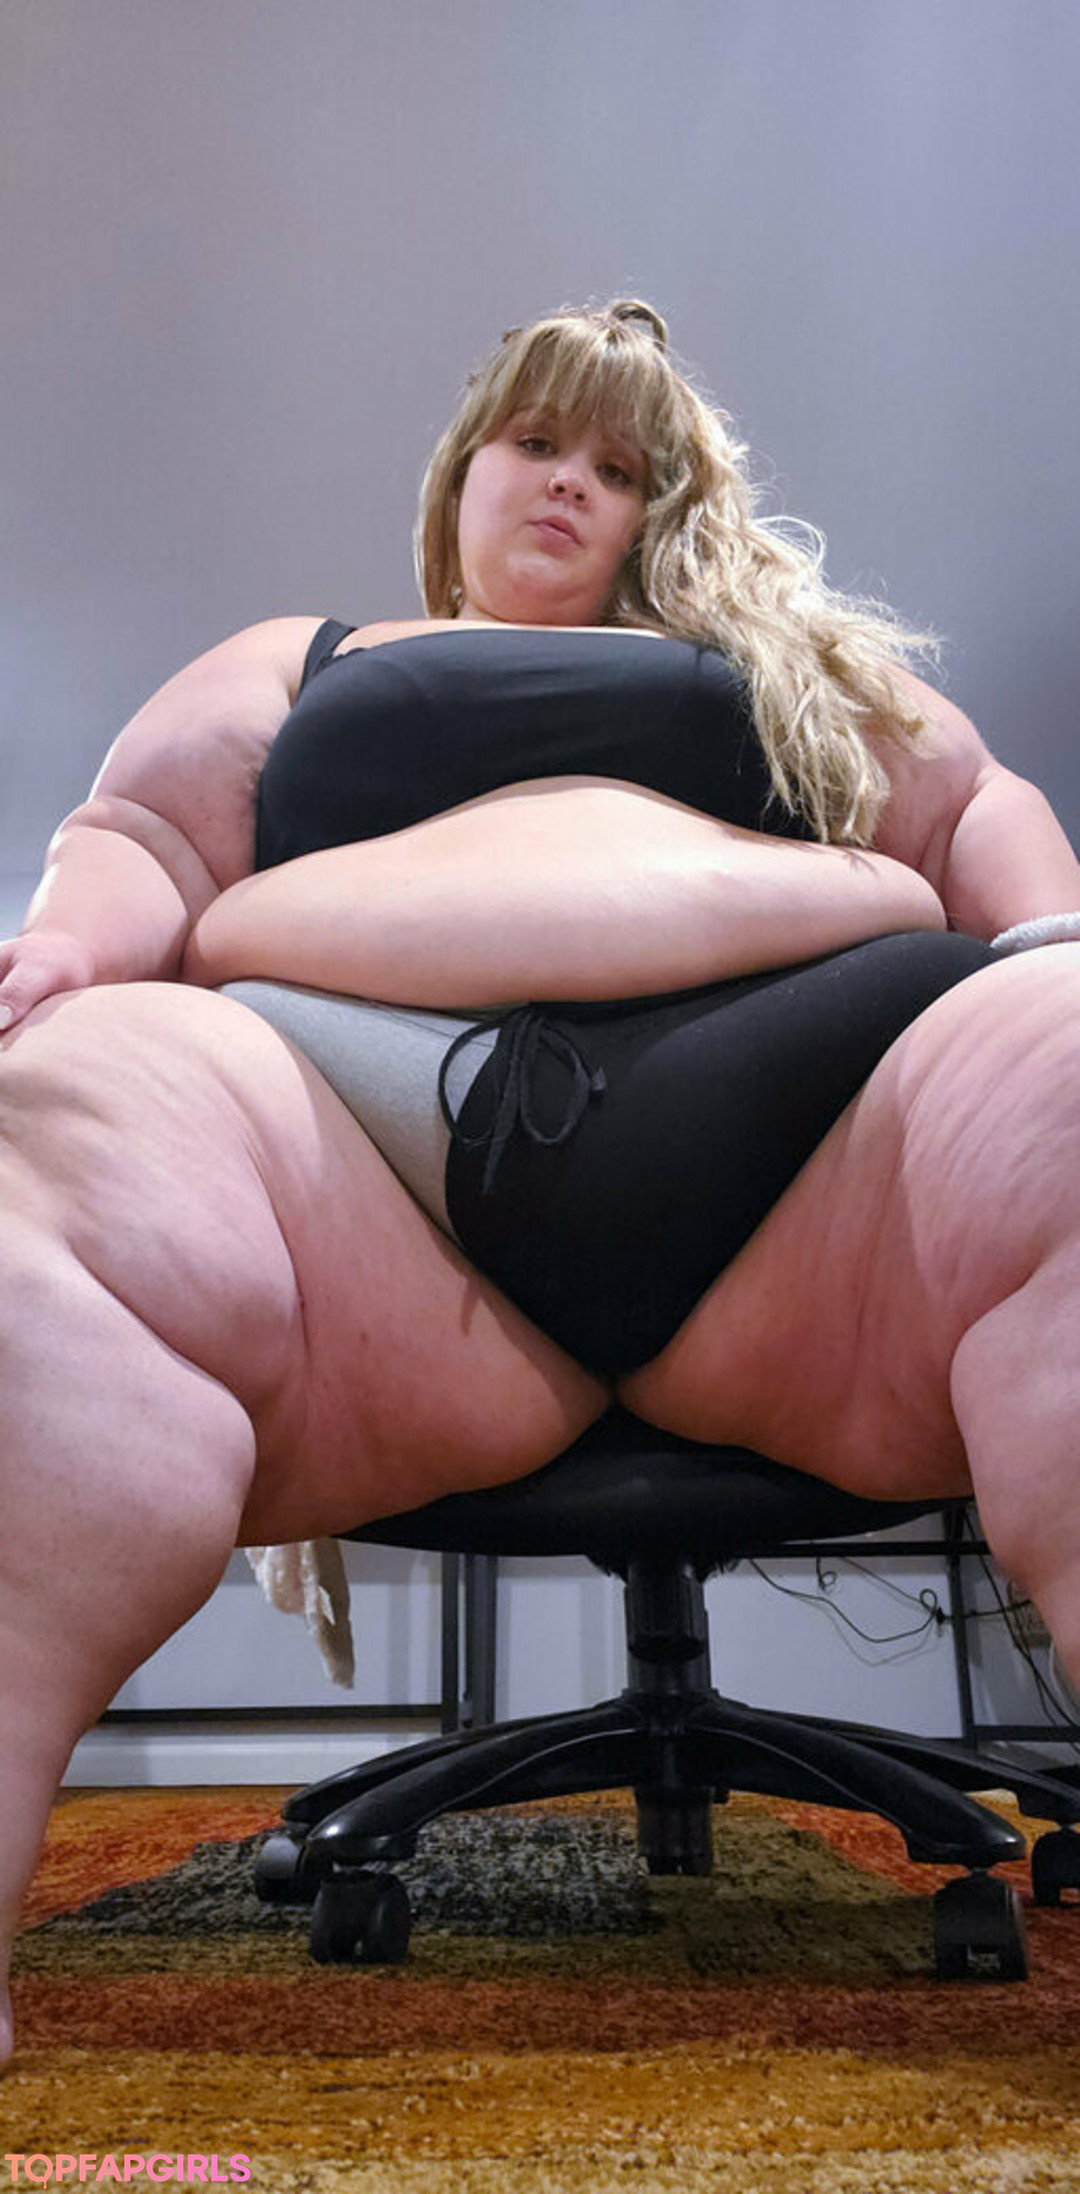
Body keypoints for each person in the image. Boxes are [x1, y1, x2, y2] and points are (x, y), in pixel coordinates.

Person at [1, 297, 1078, 2065]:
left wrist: (1049, 942)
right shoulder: (308, 654)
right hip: (365, 1175)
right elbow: (140, 839)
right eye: (537, 442)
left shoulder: (782, 661)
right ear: (461, 476)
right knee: (50, 1127)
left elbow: (977, 819)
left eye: (620, 466)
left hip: (804, 1203)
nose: (573, 481)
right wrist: (64, 953)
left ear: (666, 513)